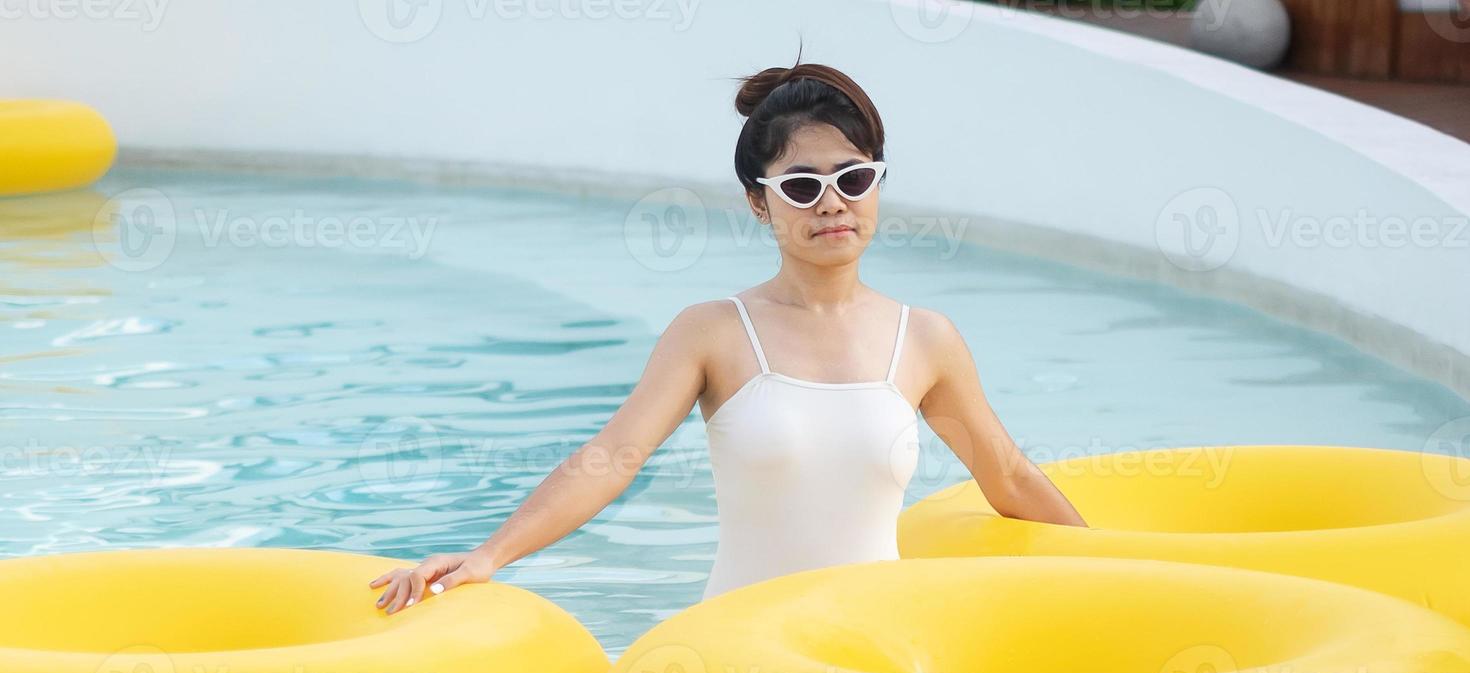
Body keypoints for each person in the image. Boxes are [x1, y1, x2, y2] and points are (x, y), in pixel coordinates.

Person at [369, 57, 1086, 615]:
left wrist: (1125, 570)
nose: (833, 202)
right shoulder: (713, 332)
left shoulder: (927, 339)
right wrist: (492, 554)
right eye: (801, 186)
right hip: (741, 654)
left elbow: (1011, 479)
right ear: (758, 203)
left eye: (855, 178)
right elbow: (613, 458)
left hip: (875, 645)